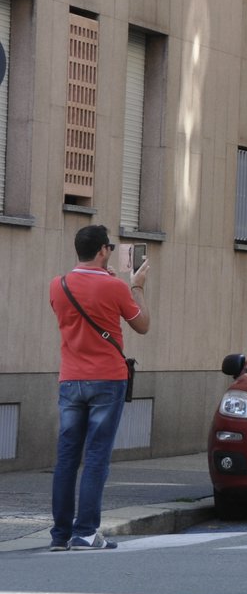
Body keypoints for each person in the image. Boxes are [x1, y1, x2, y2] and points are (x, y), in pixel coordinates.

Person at [47, 225, 152, 551]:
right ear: (103, 251)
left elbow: (75, 315)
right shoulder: (116, 287)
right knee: (95, 459)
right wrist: (137, 287)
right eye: (109, 246)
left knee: (66, 460)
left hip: (70, 380)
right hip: (107, 379)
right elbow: (143, 325)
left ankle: (60, 535)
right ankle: (86, 533)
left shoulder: (58, 285)